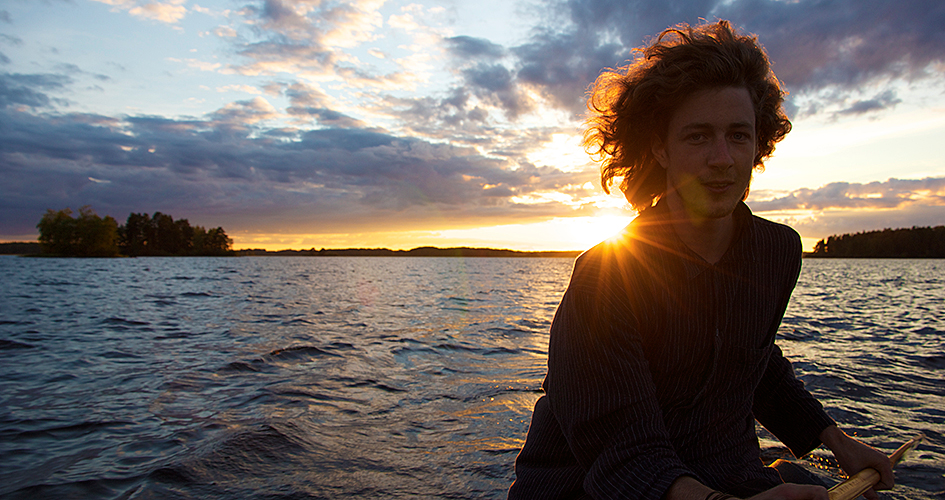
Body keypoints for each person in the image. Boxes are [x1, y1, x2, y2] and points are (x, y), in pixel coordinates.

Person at [508, 20, 894, 500]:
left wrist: (834, 441)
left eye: (737, 135)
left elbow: (754, 363)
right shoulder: (607, 276)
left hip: (726, 470)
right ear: (659, 148)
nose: (722, 158)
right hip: (592, 486)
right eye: (698, 136)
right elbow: (623, 454)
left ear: (758, 145)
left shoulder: (777, 252)